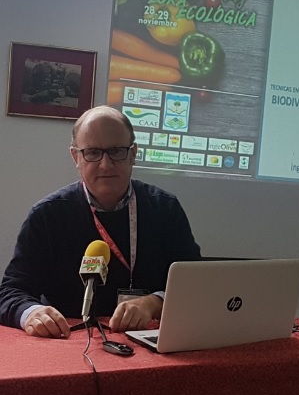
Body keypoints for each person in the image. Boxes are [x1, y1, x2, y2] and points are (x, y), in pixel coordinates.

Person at [1, 106, 202, 336]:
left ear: (133, 153)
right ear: (76, 157)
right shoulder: (47, 215)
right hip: (69, 343)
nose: (106, 165)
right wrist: (31, 312)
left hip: (148, 343)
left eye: (116, 151)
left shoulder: (165, 208)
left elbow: (194, 285)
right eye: (93, 153)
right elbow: (10, 292)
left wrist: (153, 303)